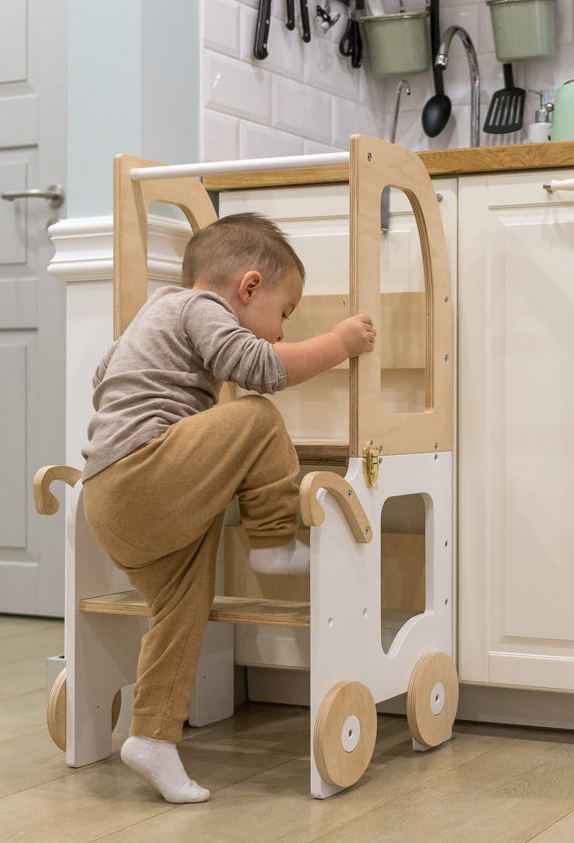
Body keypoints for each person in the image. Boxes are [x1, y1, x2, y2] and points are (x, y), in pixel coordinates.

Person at [80, 212, 375, 804]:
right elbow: (260, 370)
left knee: (180, 610)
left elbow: (101, 378)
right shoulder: (199, 309)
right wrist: (340, 344)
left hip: (108, 496)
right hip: (142, 473)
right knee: (259, 417)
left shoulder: (152, 317)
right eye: (283, 314)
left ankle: (152, 738)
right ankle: (270, 545)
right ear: (247, 289)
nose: (281, 332)